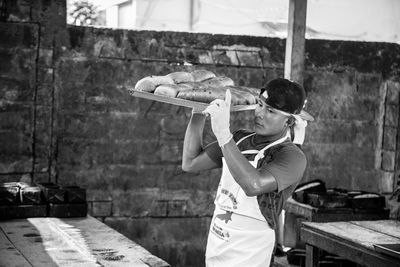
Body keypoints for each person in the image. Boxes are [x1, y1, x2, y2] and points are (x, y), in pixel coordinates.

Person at [182, 78, 312, 267]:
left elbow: (254, 185)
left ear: (289, 121)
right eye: (260, 104)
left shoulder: (292, 157)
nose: (260, 114)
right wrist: (198, 111)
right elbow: (190, 163)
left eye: (271, 111)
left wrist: (223, 135)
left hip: (250, 252)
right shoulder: (240, 140)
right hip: (218, 241)